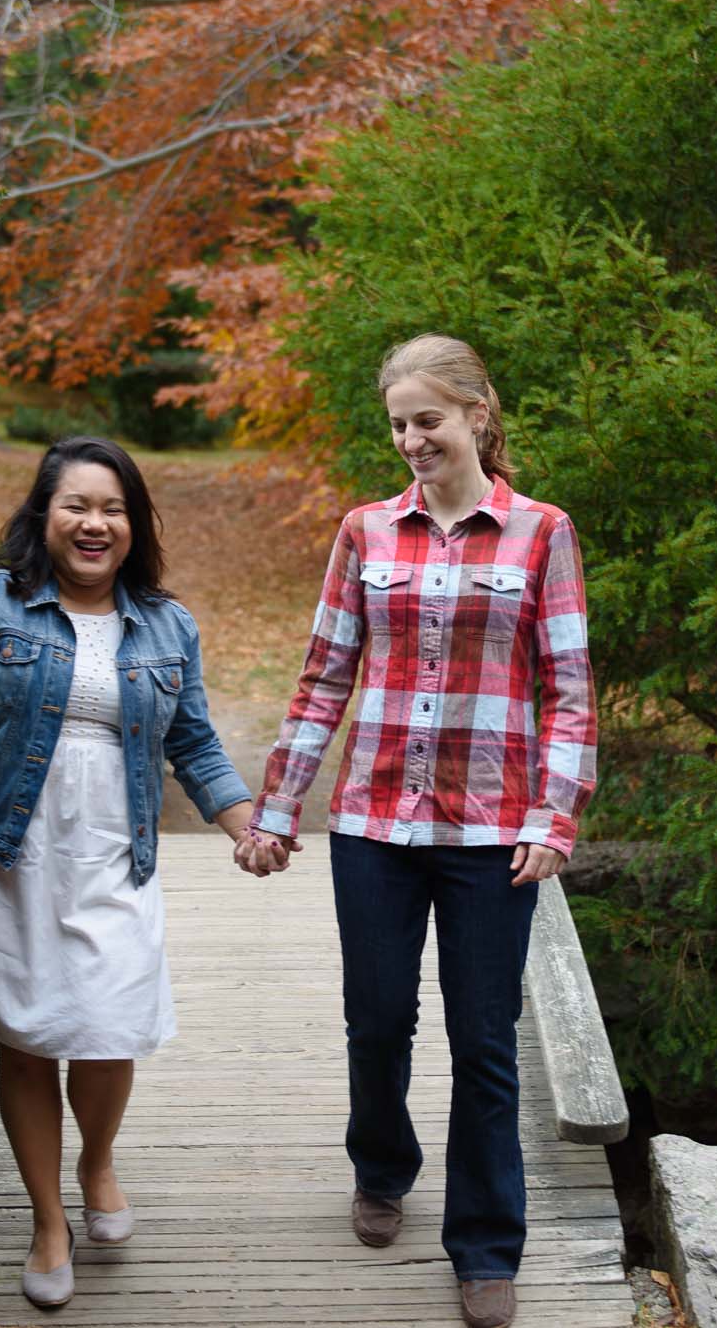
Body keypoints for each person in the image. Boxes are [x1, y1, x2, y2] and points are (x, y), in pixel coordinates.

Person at [235, 335, 597, 1328]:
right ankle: (381, 1167)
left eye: (426, 421)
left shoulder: (540, 532)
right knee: (377, 1018)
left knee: (484, 1042)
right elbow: (323, 677)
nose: (409, 441)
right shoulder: (363, 533)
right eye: (397, 424)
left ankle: (484, 1247)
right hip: (374, 823)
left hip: (491, 832)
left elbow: (567, 690)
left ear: (477, 416)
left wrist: (554, 816)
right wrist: (275, 808)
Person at [0, 435, 257, 1308]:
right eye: (77, 504)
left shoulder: (166, 622)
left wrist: (245, 825)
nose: (95, 522)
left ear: (135, 524)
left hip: (114, 850)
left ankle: (98, 1158)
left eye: (114, 508)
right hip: (5, 852)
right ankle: (48, 1216)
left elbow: (190, 739)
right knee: (30, 1033)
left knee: (110, 1024)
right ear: (44, 514)